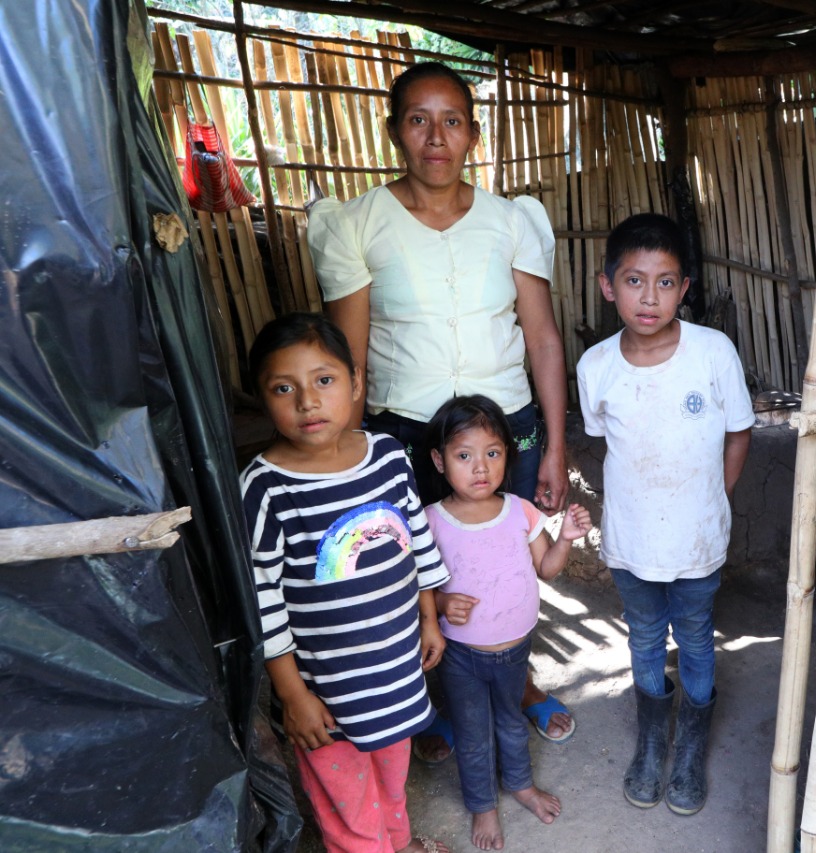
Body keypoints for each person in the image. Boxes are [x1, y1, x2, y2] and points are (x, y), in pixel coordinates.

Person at [306, 60, 575, 751]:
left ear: (472, 133)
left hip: (506, 426)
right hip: (404, 434)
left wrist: (553, 443)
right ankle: (428, 698)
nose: (435, 137)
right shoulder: (359, 224)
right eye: (418, 120)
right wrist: (348, 460)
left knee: (508, 559)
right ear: (393, 130)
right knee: (419, 572)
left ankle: (517, 681)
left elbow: (543, 338)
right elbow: (350, 360)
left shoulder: (510, 221)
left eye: (451, 120)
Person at [239, 313, 451, 853]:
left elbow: (417, 541)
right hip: (325, 696)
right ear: (262, 400)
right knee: (349, 813)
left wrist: (429, 619)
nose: (308, 401)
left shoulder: (385, 456)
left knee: (392, 782)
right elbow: (263, 603)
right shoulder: (264, 489)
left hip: (396, 672)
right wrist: (293, 695)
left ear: (356, 381)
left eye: (324, 380)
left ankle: (397, 843)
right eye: (284, 388)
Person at [575, 213, 754, 815]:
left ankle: (690, 746)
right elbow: (610, 443)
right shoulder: (596, 367)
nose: (649, 297)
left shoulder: (712, 352)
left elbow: (737, 434)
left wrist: (713, 499)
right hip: (631, 542)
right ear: (608, 287)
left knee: (697, 637)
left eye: (666, 282)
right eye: (633, 281)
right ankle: (653, 742)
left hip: (699, 539)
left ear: (684, 288)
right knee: (645, 638)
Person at [423, 394, 592, 850]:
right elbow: (413, 588)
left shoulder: (520, 510)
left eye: (492, 454)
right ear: (439, 461)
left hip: (516, 652)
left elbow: (547, 568)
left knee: (512, 724)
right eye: (464, 456)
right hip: (461, 656)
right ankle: (482, 806)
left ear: (507, 458)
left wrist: (567, 539)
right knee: (474, 733)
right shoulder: (431, 522)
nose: (480, 468)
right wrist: (439, 603)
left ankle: (520, 785)